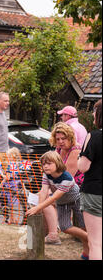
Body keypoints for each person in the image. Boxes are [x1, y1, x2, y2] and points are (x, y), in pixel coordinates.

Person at [26, 151, 89, 259]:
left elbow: (54, 197)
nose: (45, 166)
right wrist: (39, 207)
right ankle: (91, 238)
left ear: (58, 163)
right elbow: (44, 191)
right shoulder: (46, 174)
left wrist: (38, 207)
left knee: (84, 227)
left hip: (77, 200)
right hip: (62, 203)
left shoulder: (67, 178)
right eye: (43, 164)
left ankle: (87, 251)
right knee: (65, 227)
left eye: (49, 163)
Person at [77, 99, 102, 260]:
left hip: (95, 193)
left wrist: (80, 156)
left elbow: (83, 167)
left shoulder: (93, 136)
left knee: (96, 243)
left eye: (94, 111)